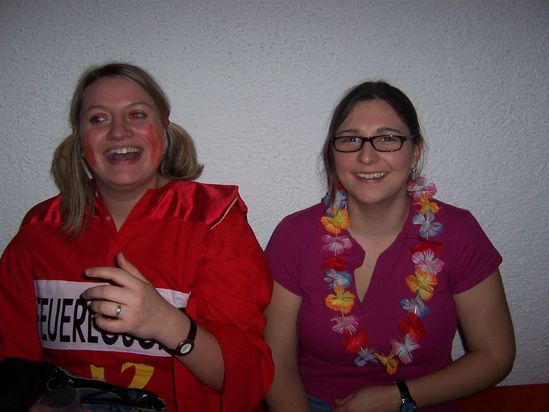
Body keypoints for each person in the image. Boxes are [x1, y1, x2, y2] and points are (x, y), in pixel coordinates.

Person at [0, 62, 273, 412]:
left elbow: (246, 378)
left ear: (164, 128)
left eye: (137, 114)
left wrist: (167, 323)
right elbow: (12, 364)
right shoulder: (39, 229)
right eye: (98, 119)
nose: (118, 132)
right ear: (80, 140)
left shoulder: (215, 221)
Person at [264, 81, 515, 412]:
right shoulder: (294, 235)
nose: (366, 156)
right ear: (333, 153)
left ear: (415, 151)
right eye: (350, 139)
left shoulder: (459, 233)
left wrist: (396, 396)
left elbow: (495, 355)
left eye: (387, 139)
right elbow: (277, 363)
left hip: (422, 403)